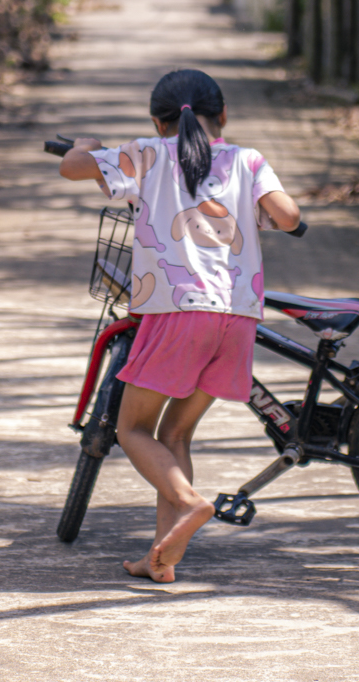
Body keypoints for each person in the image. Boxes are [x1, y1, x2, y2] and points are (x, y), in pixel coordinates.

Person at [57, 69, 301, 582]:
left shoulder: (148, 153)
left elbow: (73, 168)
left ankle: (190, 504)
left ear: (157, 121)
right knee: (176, 434)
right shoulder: (248, 160)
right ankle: (161, 559)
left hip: (177, 313)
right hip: (236, 319)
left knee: (132, 429)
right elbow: (287, 215)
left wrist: (87, 145)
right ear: (224, 115)